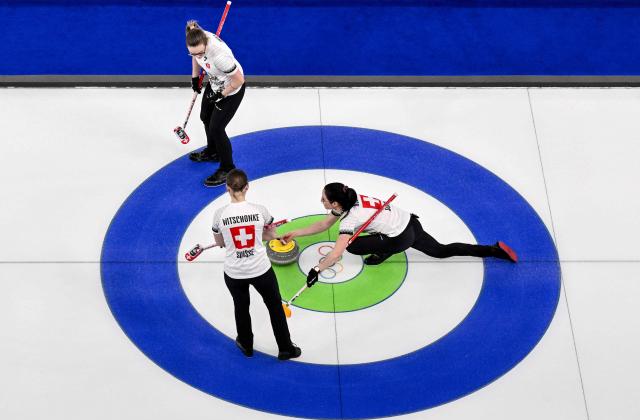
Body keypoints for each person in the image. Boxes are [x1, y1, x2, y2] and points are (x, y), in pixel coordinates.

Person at [280, 182, 518, 287]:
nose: (320, 201)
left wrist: (317, 270)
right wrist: (295, 233)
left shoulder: (351, 218)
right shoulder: (351, 199)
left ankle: (383, 252)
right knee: (441, 251)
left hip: (401, 237)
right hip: (411, 223)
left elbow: (336, 254)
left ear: (334, 202)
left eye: (323, 199)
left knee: (352, 245)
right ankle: (493, 249)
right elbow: (323, 225)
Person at [212, 169, 301, 360]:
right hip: (261, 270)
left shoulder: (219, 215)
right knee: (275, 306)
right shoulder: (260, 211)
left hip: (234, 272)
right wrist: (274, 235)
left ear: (227, 188)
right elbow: (269, 234)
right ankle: (286, 348)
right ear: (247, 187)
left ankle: (245, 344)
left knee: (241, 307)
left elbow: (220, 243)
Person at [185, 20, 246, 187]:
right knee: (205, 116)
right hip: (215, 82)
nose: (196, 56)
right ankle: (213, 152)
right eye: (192, 53)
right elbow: (196, 58)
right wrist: (195, 77)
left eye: (199, 53)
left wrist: (221, 94)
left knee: (217, 128)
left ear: (205, 44)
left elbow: (239, 80)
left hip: (231, 89)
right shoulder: (195, 39)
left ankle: (227, 167)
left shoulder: (220, 56)